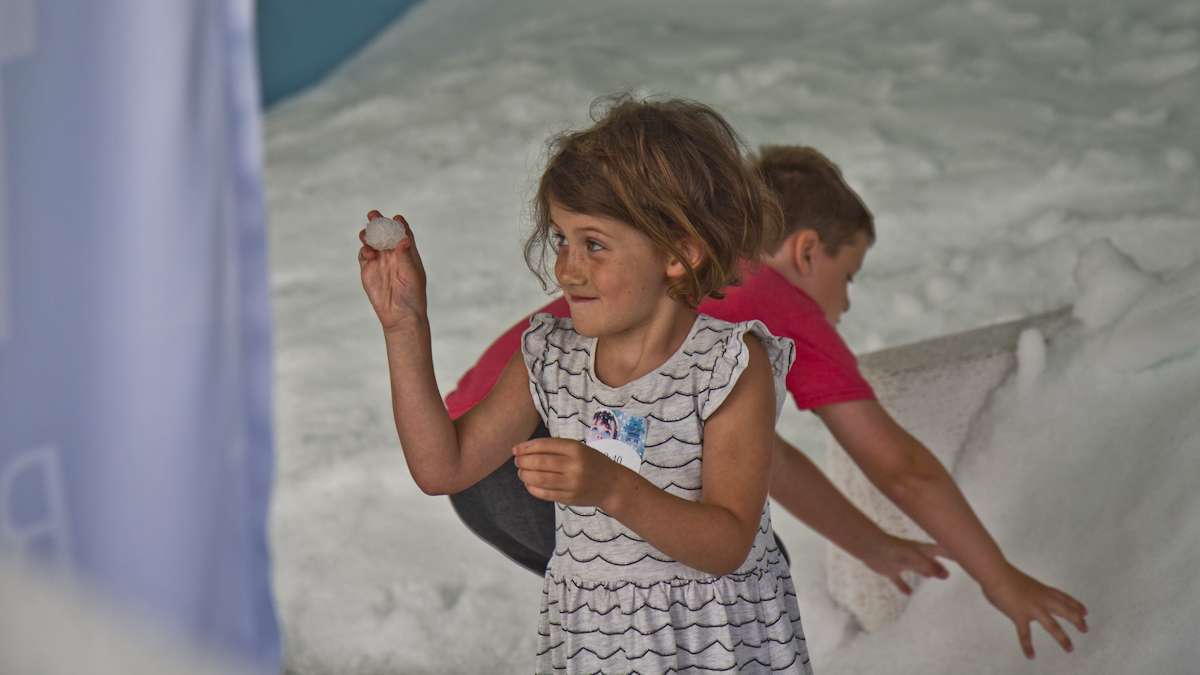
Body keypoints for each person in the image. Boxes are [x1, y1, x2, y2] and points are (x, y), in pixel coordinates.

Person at [436, 144, 1090, 661]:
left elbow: (752, 460)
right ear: (806, 250)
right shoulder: (775, 298)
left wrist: (869, 543)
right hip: (544, 455)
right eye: (848, 275)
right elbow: (900, 466)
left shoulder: (702, 295)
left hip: (484, 480)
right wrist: (999, 576)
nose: (846, 302)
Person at [360, 95, 815, 672]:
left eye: (594, 244)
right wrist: (405, 326)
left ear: (679, 253)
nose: (567, 267)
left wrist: (612, 488)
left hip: (716, 647)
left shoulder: (726, 367)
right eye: (562, 240)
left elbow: (727, 544)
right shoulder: (549, 358)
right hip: (601, 644)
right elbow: (441, 468)